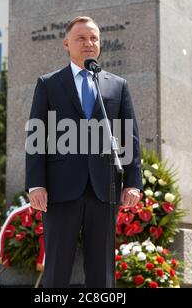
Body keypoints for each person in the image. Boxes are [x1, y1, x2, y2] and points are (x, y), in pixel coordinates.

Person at [25, 16, 142, 288]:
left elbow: (129, 136)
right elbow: (36, 135)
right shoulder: (49, 83)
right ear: (66, 44)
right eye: (81, 38)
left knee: (102, 270)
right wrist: (36, 184)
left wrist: (134, 183)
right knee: (57, 267)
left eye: (94, 38)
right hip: (61, 188)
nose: (89, 43)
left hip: (105, 187)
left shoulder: (117, 85)